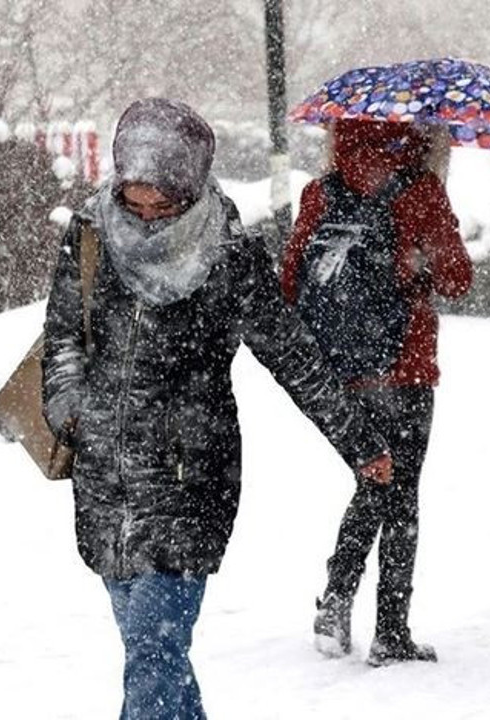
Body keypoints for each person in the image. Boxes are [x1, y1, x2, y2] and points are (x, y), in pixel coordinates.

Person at [42, 99, 392, 719]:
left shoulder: (227, 254)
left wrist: (359, 442)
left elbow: (293, 355)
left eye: (163, 206)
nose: (147, 220)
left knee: (154, 655)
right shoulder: (92, 232)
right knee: (158, 658)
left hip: (187, 481)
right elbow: (64, 335)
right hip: (104, 483)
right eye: (135, 203)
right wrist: (70, 408)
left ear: (190, 189)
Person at [280, 119, 472, 666]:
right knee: (399, 494)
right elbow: (458, 278)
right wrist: (422, 264)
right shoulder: (420, 189)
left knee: (373, 479)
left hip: (342, 371)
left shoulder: (320, 192)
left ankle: (336, 599)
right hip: (404, 366)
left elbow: (291, 281)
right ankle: (390, 630)